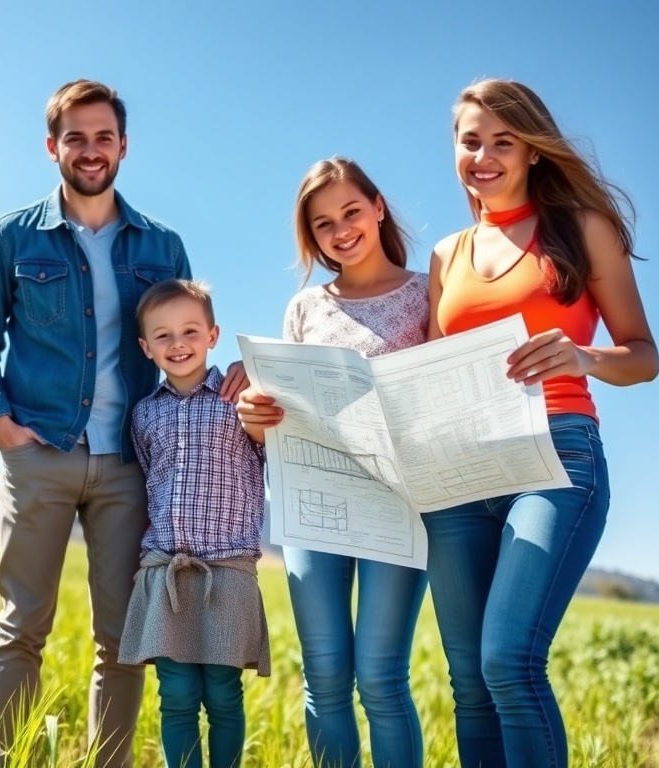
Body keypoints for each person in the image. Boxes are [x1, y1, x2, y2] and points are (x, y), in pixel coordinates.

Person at [0, 79, 246, 767]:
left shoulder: (162, 245)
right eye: (76, 137)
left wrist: (234, 377)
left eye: (104, 136)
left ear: (123, 146)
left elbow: (185, 341)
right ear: (53, 145)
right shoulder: (12, 237)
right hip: (40, 455)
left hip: (130, 465)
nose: (91, 150)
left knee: (121, 638)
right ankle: (9, 760)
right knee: (22, 627)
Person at [423, 78, 659, 768]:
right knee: (469, 683)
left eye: (505, 142)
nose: (485, 156)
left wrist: (583, 356)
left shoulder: (583, 229)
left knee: (509, 660)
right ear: (455, 150)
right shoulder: (446, 256)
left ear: (532, 152)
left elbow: (644, 357)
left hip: (558, 457)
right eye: (472, 141)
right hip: (464, 473)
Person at [236, 157, 428, 768]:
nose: (341, 230)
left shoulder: (428, 292)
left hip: (398, 504)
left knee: (381, 676)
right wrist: (257, 419)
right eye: (323, 224)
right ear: (311, 237)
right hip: (313, 502)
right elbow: (285, 421)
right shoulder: (304, 309)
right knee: (323, 676)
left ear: (377, 208)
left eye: (351, 211)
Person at [118, 278, 270, 768]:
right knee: (177, 693)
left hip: (226, 570)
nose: (177, 343)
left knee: (223, 693)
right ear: (145, 347)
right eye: (162, 336)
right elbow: (150, 479)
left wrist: (256, 374)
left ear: (213, 335)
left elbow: (268, 446)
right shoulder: (144, 415)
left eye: (189, 331)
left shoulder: (239, 400)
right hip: (166, 572)